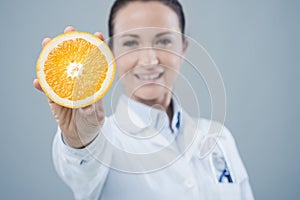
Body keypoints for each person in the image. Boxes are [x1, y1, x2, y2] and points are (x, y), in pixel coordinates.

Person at [33, 0, 254, 199]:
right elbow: (79, 169)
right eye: (130, 43)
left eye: (164, 41)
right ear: (112, 53)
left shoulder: (219, 137)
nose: (149, 60)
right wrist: (79, 139)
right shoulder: (101, 143)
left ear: (183, 48)